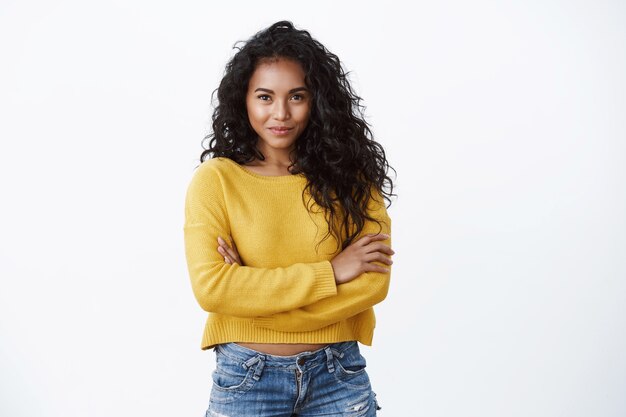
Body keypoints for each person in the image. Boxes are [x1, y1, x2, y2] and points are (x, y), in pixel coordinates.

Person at [183, 20, 396, 417]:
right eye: (265, 97)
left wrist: (250, 297)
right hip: (248, 379)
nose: (280, 113)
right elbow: (213, 289)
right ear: (243, 100)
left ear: (317, 100)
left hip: (339, 375)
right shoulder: (216, 182)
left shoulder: (350, 176)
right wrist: (330, 273)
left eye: (296, 96)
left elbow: (373, 284)